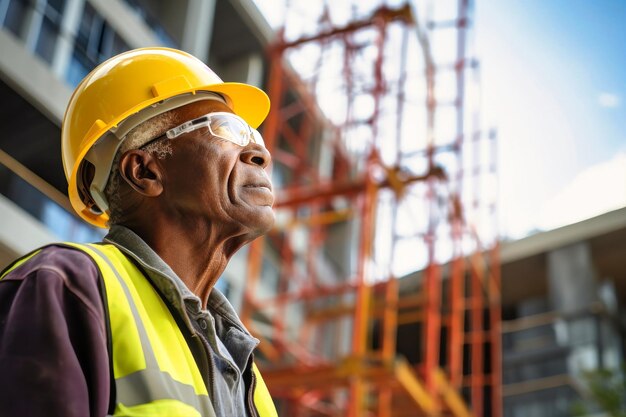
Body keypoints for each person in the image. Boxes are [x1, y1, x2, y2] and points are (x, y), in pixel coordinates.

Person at [0, 47, 277, 417]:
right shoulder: (63, 286)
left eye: (253, 134)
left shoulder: (246, 374)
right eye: (228, 130)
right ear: (144, 171)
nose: (260, 153)